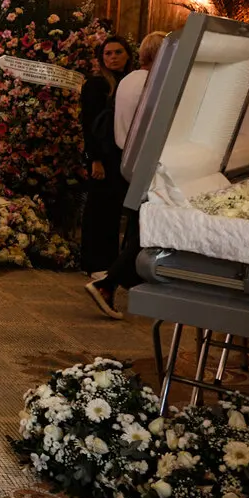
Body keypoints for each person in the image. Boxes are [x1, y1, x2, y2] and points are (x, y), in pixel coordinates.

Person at [83, 31, 166, 320]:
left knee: (136, 226)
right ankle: (110, 282)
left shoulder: (128, 81)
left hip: (125, 161)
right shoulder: (150, 82)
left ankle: (125, 279)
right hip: (146, 164)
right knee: (143, 227)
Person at [78, 35, 134, 275]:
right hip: (103, 156)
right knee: (98, 210)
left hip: (123, 154)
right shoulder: (96, 84)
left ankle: (110, 262)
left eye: (118, 52)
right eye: (108, 53)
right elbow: (88, 125)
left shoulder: (131, 81)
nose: (113, 57)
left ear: (128, 55)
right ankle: (94, 263)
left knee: (113, 211)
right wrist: (95, 160)